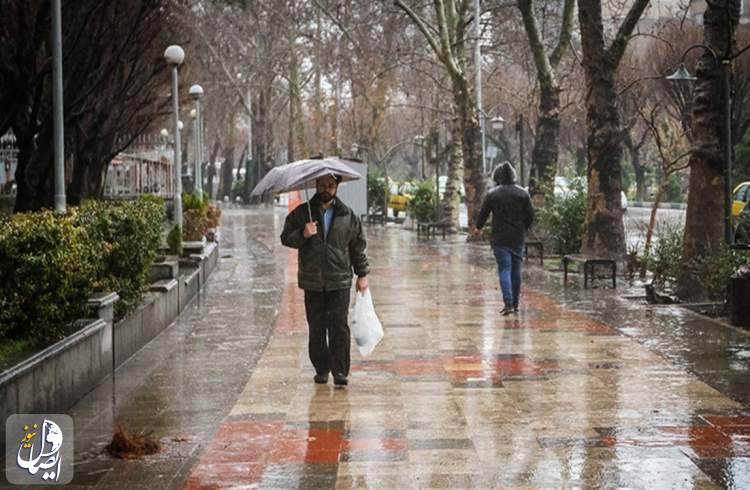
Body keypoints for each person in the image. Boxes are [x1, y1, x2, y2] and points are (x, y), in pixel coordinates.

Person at [281, 173, 369, 386]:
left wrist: (362, 274)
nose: (326, 189)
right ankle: (321, 369)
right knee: (317, 327)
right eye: (322, 185)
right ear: (316, 185)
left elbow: (358, 247)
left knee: (339, 326)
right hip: (313, 281)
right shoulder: (303, 213)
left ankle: (340, 371)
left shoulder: (348, 215)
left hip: (339, 280)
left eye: (330, 185)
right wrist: (303, 233)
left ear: (337, 187)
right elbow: (286, 238)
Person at [472, 162, 534, 315]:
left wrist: (478, 228)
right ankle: (516, 303)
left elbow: (484, 214)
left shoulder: (492, 194)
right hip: (517, 237)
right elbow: (530, 216)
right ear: (513, 175)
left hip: (499, 238)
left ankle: (508, 303)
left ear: (497, 177)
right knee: (516, 270)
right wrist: (524, 227)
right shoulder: (523, 194)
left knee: (504, 269)